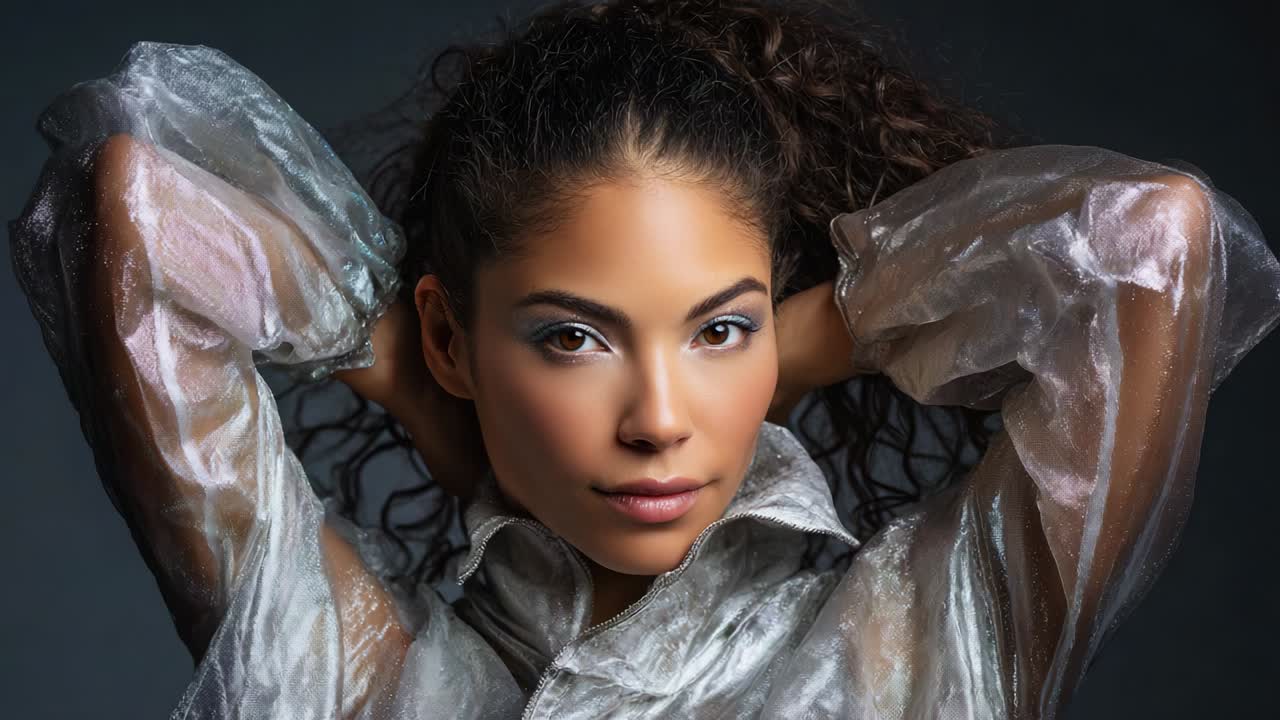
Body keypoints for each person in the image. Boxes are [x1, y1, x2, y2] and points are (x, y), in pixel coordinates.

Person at [9, 1, 1280, 717]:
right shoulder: (366, 677)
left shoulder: (909, 650)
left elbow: (1146, 243)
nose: (660, 417)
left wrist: (799, 349)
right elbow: (139, 217)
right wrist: (411, 377)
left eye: (716, 329)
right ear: (456, 336)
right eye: (573, 337)